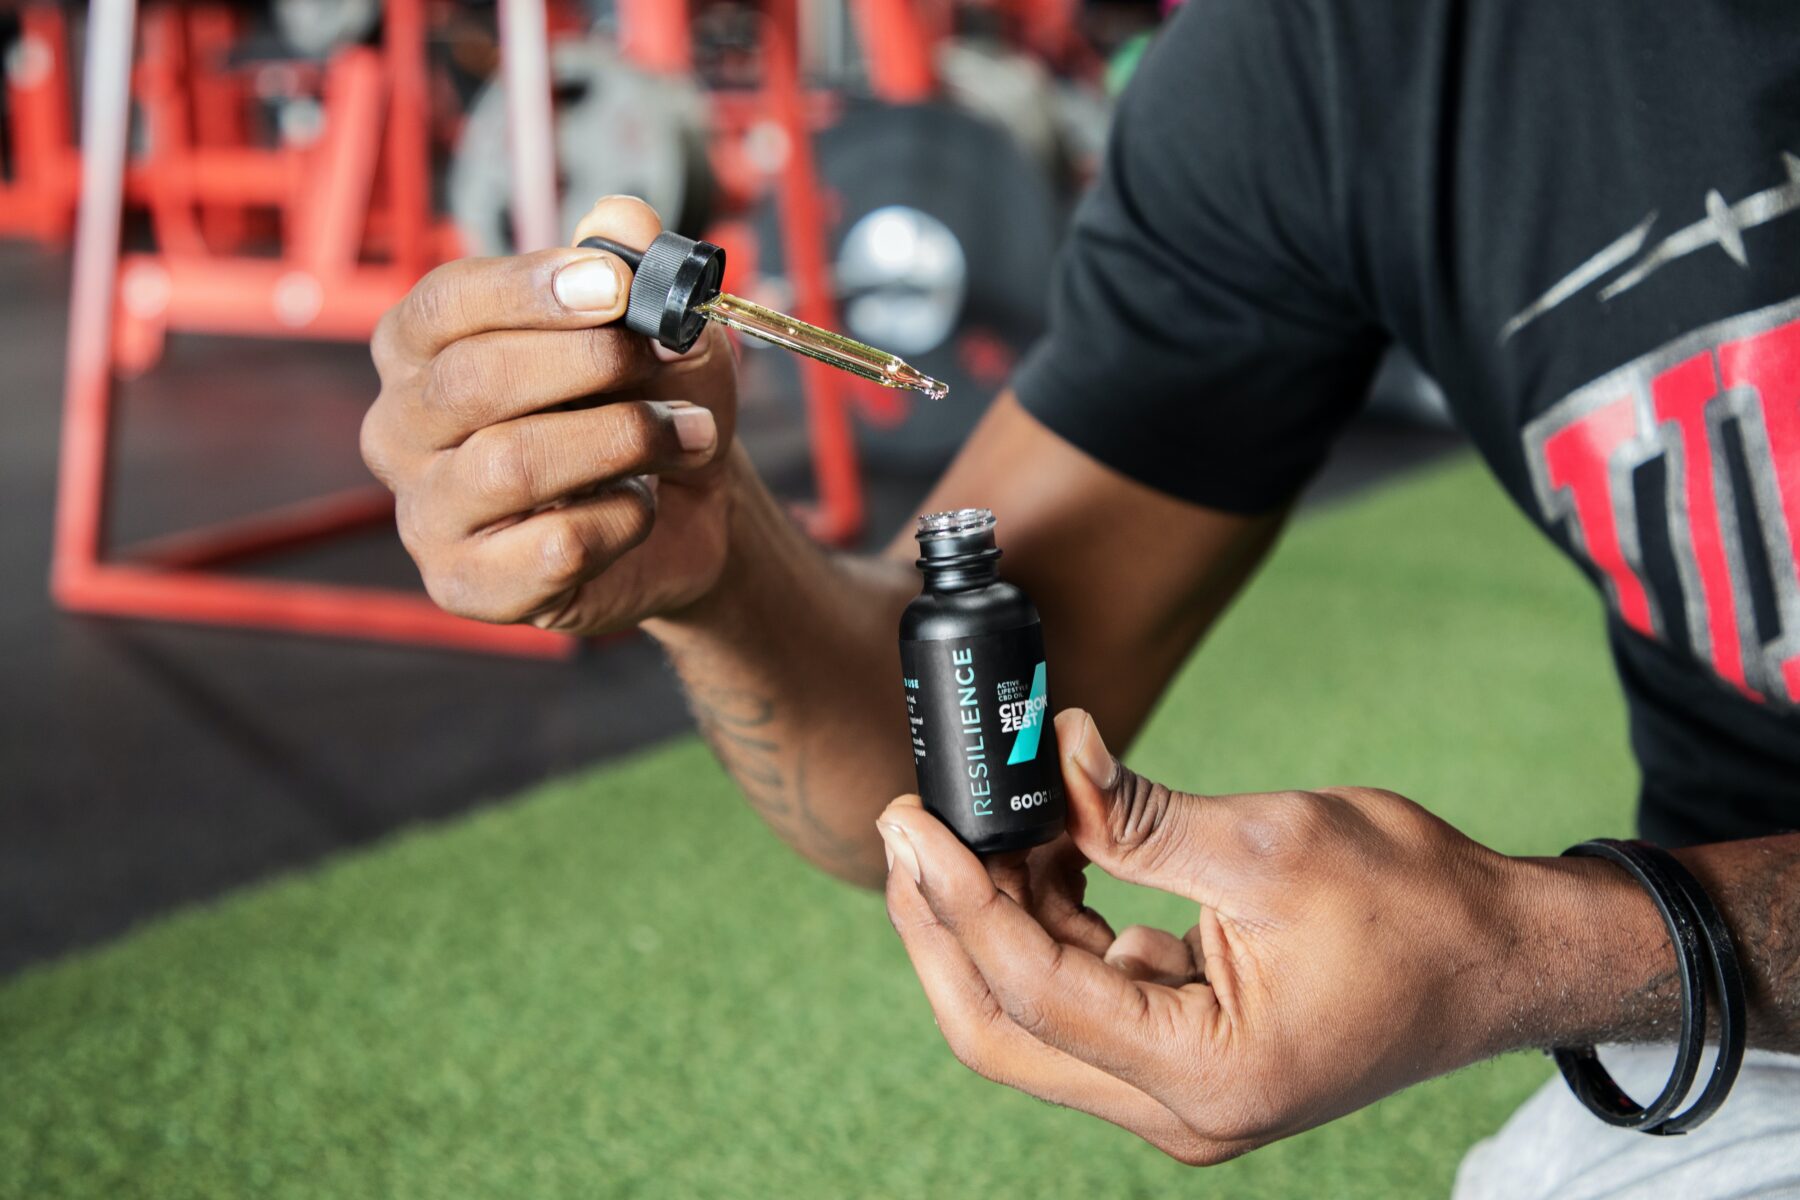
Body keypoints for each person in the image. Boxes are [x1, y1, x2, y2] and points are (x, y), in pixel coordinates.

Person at [359, 0, 1800, 1192]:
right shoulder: (1324, 57)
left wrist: (1560, 946)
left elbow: (1585, 953)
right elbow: (925, 750)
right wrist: (718, 560)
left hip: (1691, 969)